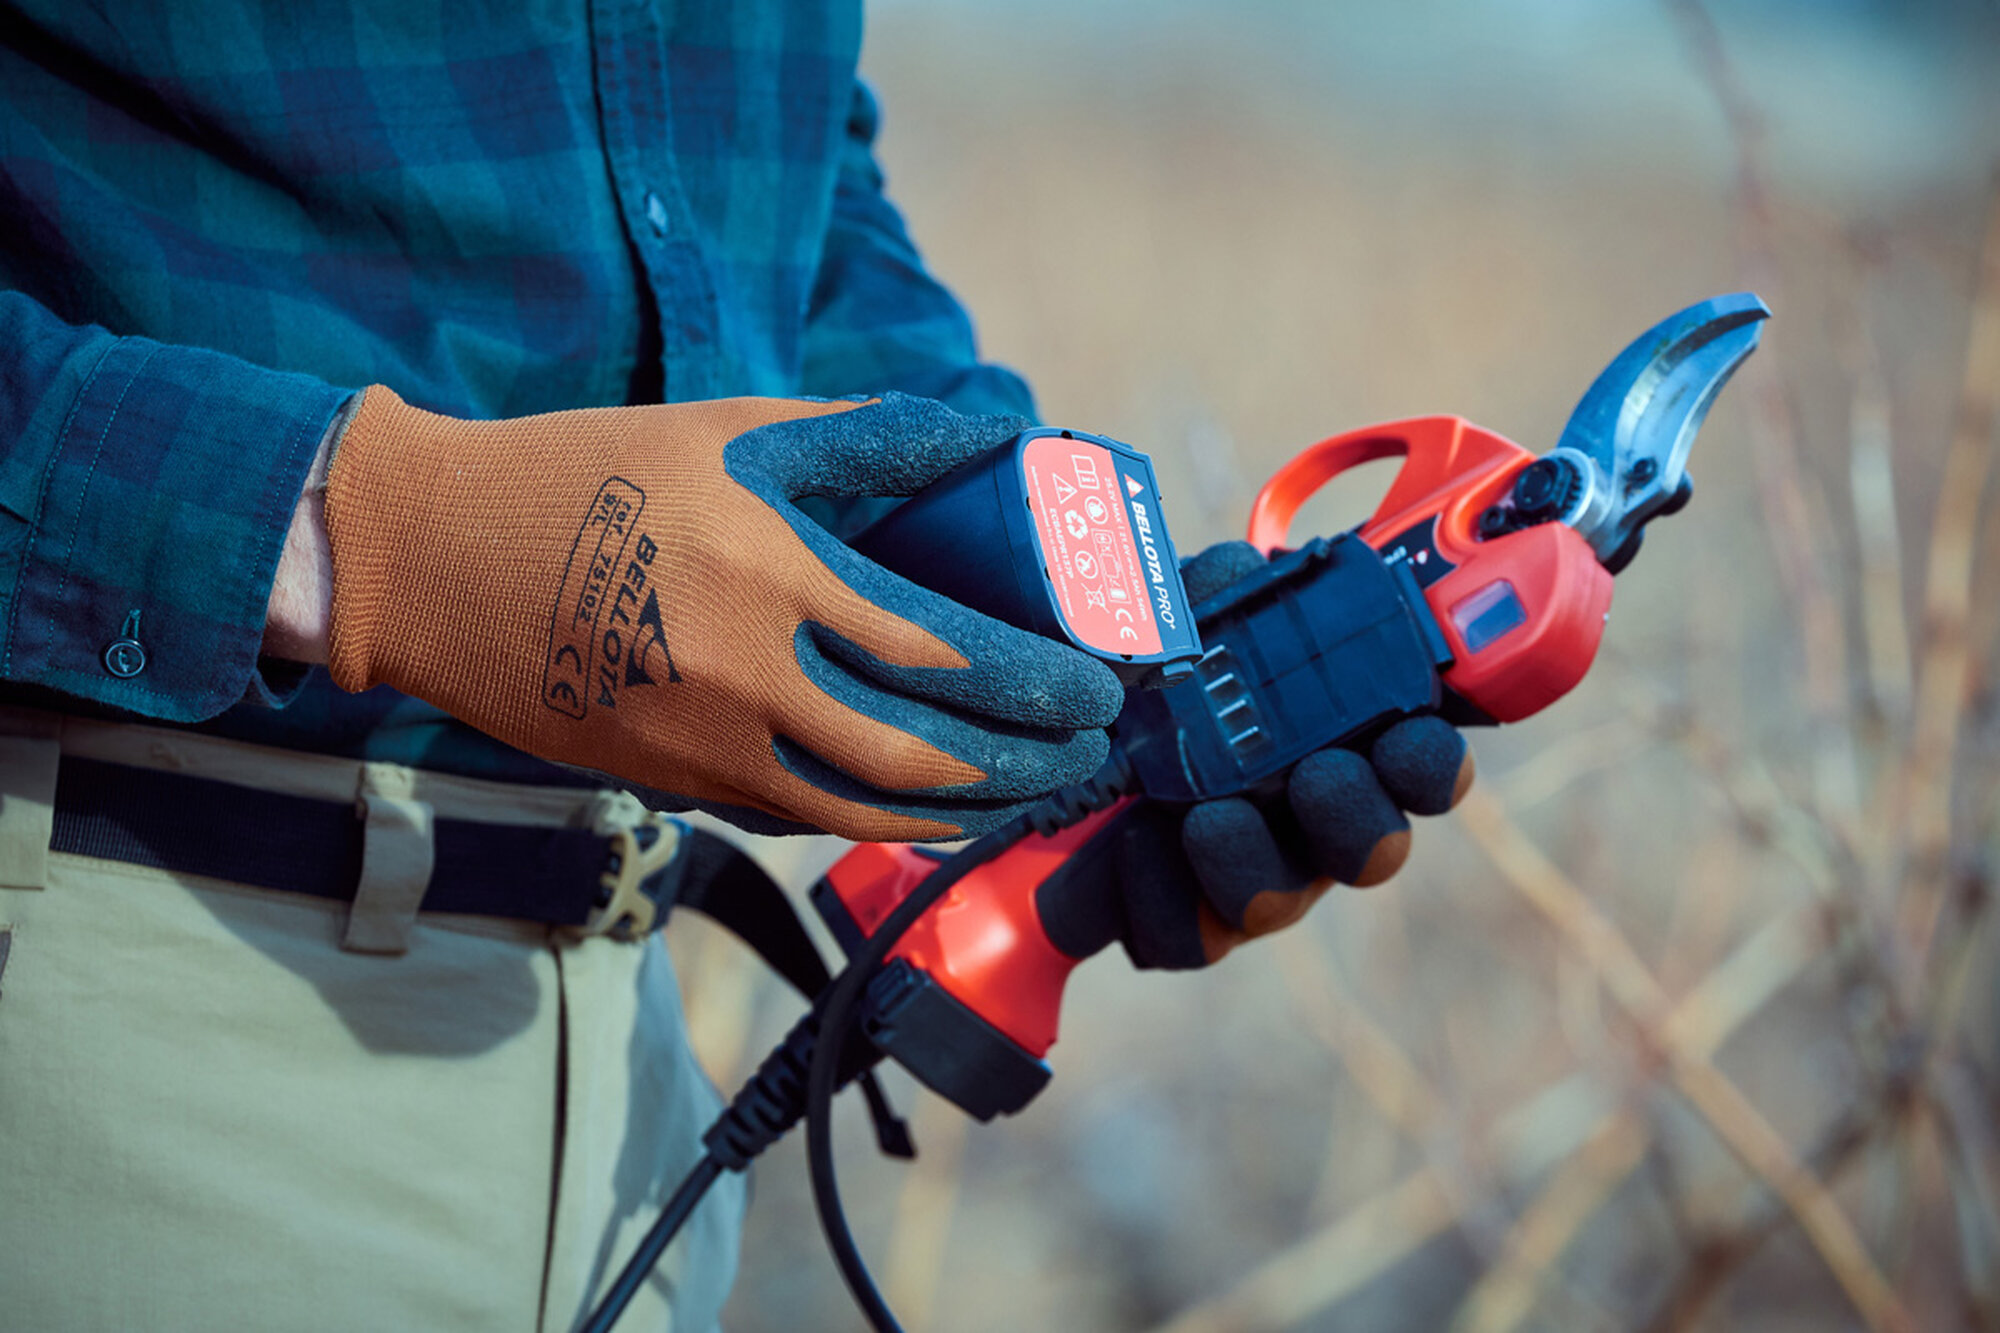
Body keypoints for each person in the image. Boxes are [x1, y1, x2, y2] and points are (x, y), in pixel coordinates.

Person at [0, 3, 1471, 1329]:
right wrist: (358, 533)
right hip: (110, 1008)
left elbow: (781, 194)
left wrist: (1064, 654)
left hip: (621, 1072)